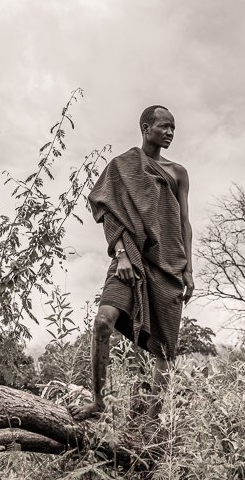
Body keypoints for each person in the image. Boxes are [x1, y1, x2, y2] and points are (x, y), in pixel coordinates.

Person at [71, 105, 193, 421]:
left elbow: (184, 222)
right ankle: (98, 402)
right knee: (102, 322)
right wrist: (123, 254)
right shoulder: (121, 166)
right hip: (130, 257)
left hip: (168, 264)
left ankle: (152, 423)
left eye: (173, 128)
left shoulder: (178, 172)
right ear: (145, 126)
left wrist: (188, 270)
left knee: (164, 350)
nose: (170, 133)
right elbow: (107, 211)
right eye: (165, 126)